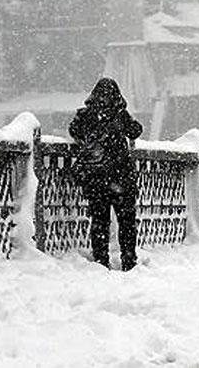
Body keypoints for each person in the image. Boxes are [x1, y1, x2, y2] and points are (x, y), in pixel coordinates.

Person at [68, 77, 143, 271]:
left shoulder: (86, 115)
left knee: (99, 222)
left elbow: (74, 131)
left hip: (96, 178)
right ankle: (128, 259)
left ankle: (101, 261)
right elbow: (136, 131)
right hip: (121, 177)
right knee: (126, 222)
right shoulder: (119, 115)